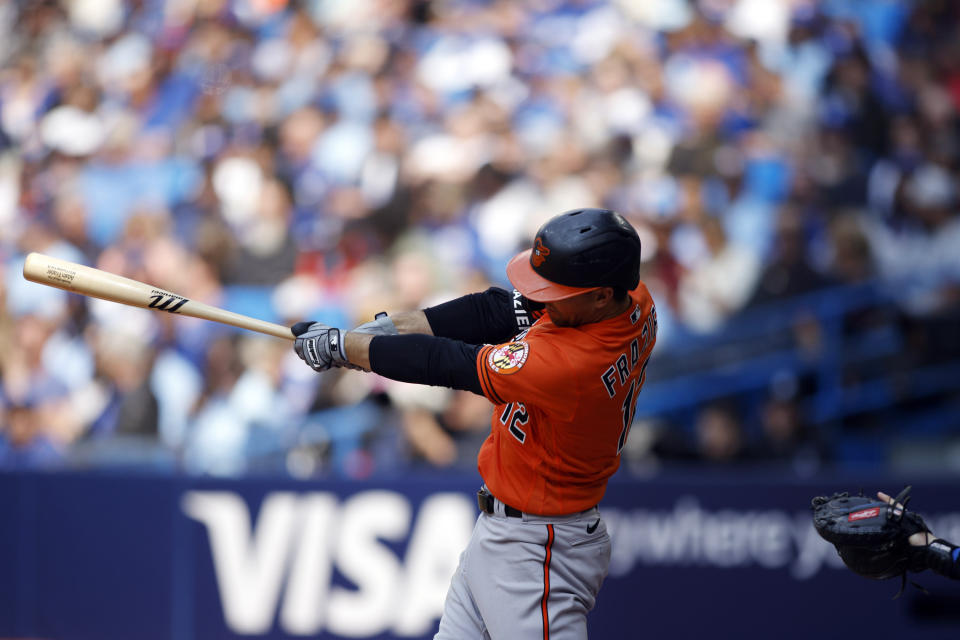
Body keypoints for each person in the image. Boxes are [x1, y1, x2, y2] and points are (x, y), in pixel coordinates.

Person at [292, 208, 657, 639]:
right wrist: (399, 325)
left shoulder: (571, 365)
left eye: (557, 291)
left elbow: (450, 363)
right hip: (507, 532)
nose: (543, 299)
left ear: (599, 295)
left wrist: (347, 348)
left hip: (537, 548)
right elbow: (499, 309)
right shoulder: (629, 297)